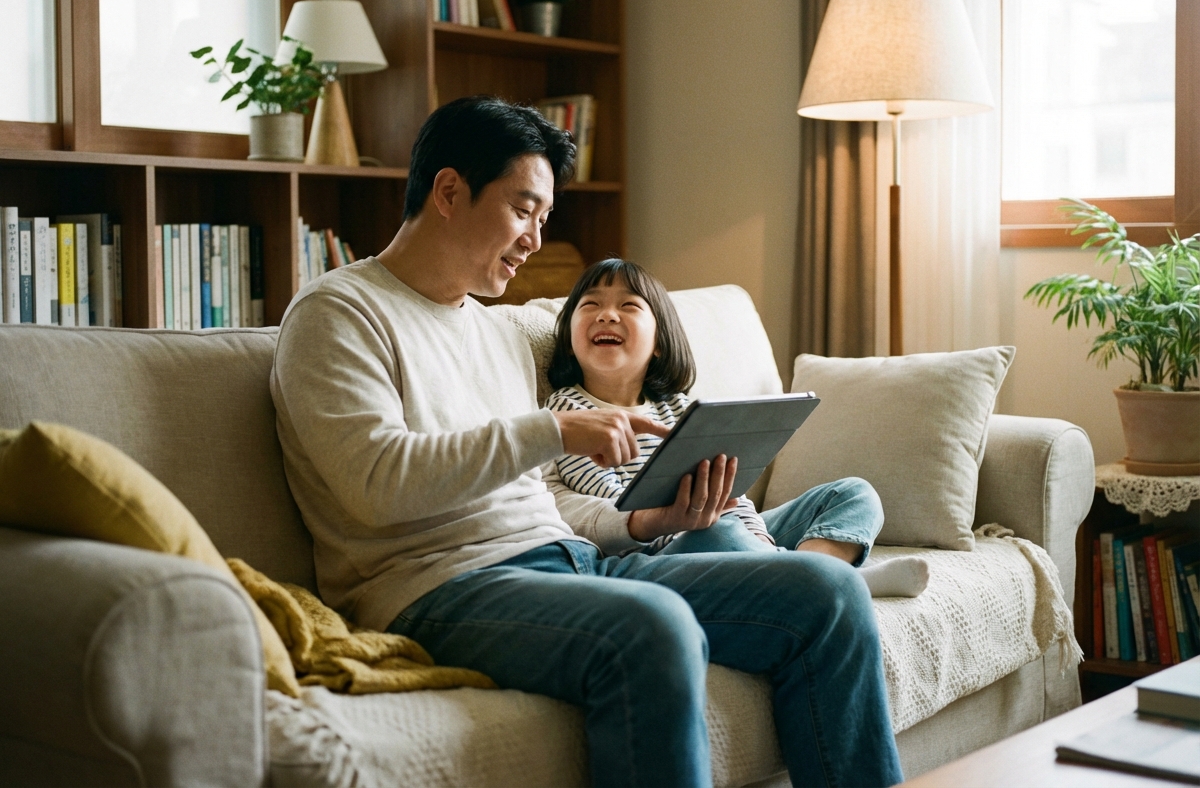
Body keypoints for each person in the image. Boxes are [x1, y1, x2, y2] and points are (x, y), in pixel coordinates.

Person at [270, 95, 904, 788]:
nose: (535, 241)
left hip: (575, 564)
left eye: (543, 220)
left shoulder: (496, 331)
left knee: (826, 592)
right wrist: (554, 429)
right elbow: (375, 486)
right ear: (449, 191)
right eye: (522, 210)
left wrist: (646, 524)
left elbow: (541, 494)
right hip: (441, 589)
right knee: (655, 625)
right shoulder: (339, 312)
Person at [544, 257, 930, 598]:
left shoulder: (680, 406)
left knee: (854, 494)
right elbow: (615, 507)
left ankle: (815, 575)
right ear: (570, 335)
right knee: (718, 534)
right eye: (590, 304)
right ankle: (833, 581)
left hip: (732, 530)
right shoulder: (567, 409)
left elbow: (733, 488)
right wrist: (699, 524)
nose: (607, 314)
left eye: (628, 306)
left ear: (659, 343)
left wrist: (757, 535)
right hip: (660, 550)